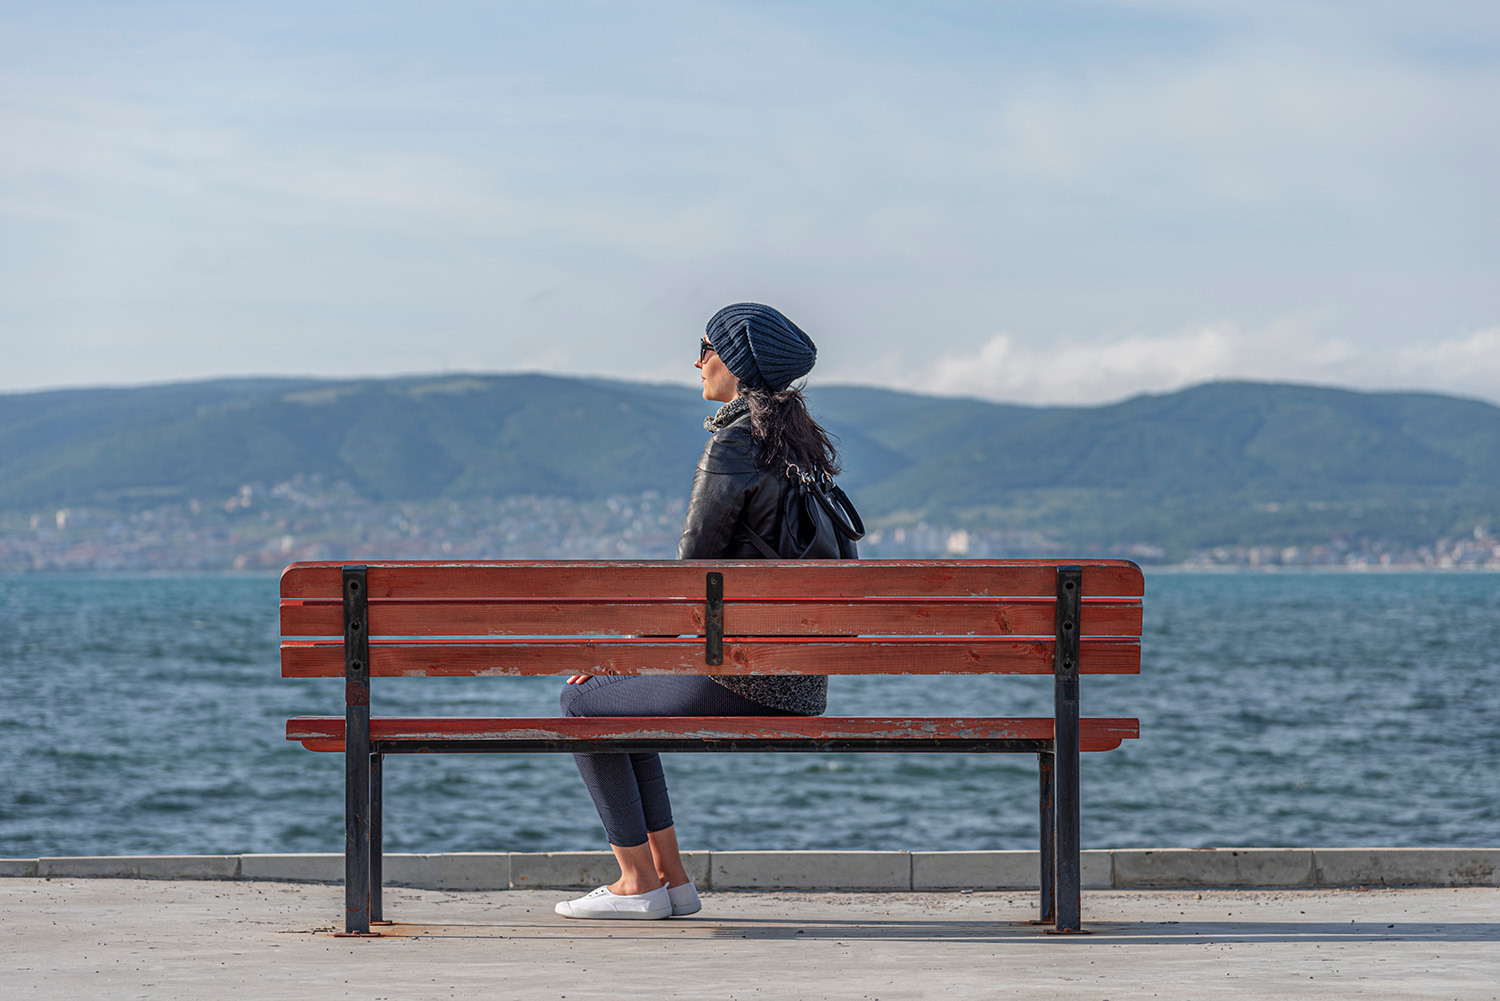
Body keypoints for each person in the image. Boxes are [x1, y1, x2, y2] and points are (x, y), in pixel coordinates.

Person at [554, 302, 842, 920]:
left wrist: (621, 655)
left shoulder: (735, 447)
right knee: (617, 701)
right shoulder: (801, 454)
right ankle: (671, 881)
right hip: (800, 685)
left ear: (738, 363)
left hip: (742, 680)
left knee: (582, 703)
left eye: (707, 347)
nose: (697, 360)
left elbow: (690, 578)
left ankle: (638, 882)